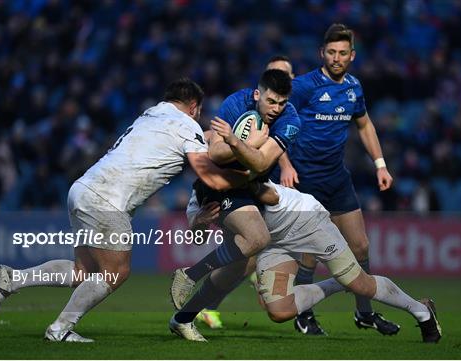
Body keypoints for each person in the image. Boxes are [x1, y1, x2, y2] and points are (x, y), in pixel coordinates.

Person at [0, 78, 249, 342]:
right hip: (108, 199)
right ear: (194, 107)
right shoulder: (186, 125)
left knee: (83, 271)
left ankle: (14, 278)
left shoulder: (150, 115)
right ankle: (59, 329)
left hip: (83, 188)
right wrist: (249, 176)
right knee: (116, 272)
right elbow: (210, 177)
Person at [179, 182, 442, 344]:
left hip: (305, 222)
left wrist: (252, 185)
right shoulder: (199, 195)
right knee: (280, 312)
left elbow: (273, 197)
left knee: (361, 285)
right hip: (272, 241)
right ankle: (338, 284)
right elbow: (197, 235)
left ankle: (421, 311)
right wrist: (200, 222)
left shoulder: (239, 171)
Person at [271, 23, 399, 335]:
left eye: (343, 53)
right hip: (303, 181)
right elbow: (274, 122)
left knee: (360, 247)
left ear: (352, 56)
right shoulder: (302, 87)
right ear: (322, 54)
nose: (337, 58)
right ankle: (305, 314)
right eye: (331, 52)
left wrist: (380, 165)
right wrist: (285, 165)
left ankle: (364, 313)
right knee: (310, 255)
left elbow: (365, 125)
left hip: (336, 179)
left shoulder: (354, 87)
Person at [169, 69, 300, 310]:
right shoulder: (235, 103)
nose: (276, 109)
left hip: (248, 186)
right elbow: (216, 152)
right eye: (270, 101)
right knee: (258, 238)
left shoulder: (291, 121)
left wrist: (236, 141)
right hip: (219, 181)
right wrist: (251, 143)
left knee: (242, 265)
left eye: (282, 103)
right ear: (257, 94)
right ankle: (189, 275)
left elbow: (261, 163)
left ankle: (185, 317)